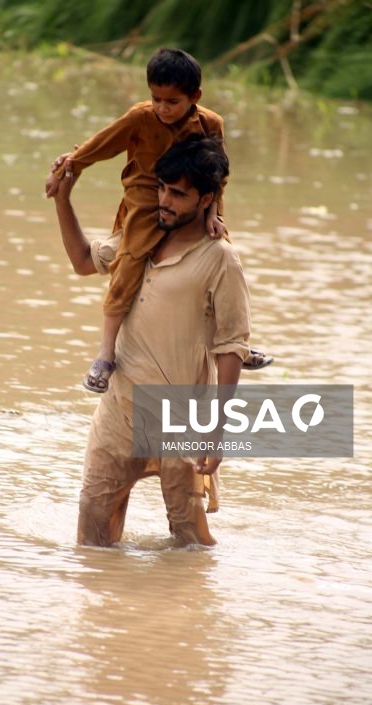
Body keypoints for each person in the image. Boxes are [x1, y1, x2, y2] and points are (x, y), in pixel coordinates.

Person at [51, 134, 251, 547]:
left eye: (178, 194)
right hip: (119, 410)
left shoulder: (220, 259)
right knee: (91, 536)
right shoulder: (138, 236)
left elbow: (230, 347)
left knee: (188, 539)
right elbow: (83, 260)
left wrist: (217, 430)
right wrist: (62, 199)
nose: (165, 200)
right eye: (162, 188)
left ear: (206, 199)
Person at [46, 48, 270, 394]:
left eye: (172, 101)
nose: (163, 108)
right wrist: (70, 166)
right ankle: (106, 352)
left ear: (195, 97)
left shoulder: (211, 124)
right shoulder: (141, 117)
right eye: (156, 99)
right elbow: (101, 144)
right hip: (143, 197)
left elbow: (217, 175)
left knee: (221, 256)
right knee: (130, 259)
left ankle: (231, 347)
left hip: (193, 205)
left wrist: (215, 214)